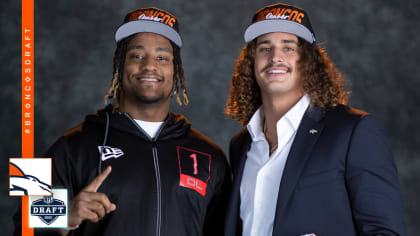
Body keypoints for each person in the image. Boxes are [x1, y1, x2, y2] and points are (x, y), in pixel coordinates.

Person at [14, 7, 231, 236]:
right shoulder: (68, 145)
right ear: (119, 65)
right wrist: (65, 215)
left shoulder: (210, 155)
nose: (149, 66)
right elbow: (20, 221)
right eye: (137, 56)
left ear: (176, 71)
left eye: (162, 57)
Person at [224, 3, 407, 236]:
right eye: (265, 48)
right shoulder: (241, 145)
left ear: (308, 60)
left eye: (288, 48)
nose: (275, 57)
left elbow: (385, 232)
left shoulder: (353, 132)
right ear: (251, 62)